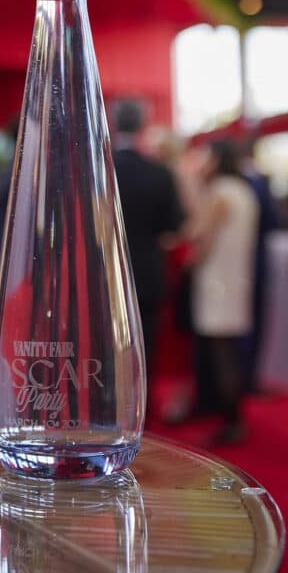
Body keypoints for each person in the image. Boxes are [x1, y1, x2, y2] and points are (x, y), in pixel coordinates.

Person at [188, 139, 258, 444]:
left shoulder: (219, 193)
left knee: (221, 352)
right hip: (237, 279)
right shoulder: (244, 192)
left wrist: (189, 262)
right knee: (228, 350)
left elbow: (201, 234)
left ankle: (231, 419)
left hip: (216, 280)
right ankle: (231, 415)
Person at [111, 99, 184, 377]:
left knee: (106, 345)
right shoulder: (159, 173)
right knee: (145, 344)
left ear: (115, 124)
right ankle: (143, 408)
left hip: (105, 271)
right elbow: (171, 227)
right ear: (142, 126)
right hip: (148, 271)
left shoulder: (98, 169)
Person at [239, 140, 279, 394]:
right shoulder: (256, 183)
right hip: (254, 262)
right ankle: (247, 377)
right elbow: (273, 222)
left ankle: (242, 377)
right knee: (251, 319)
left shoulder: (235, 184)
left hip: (242, 263)